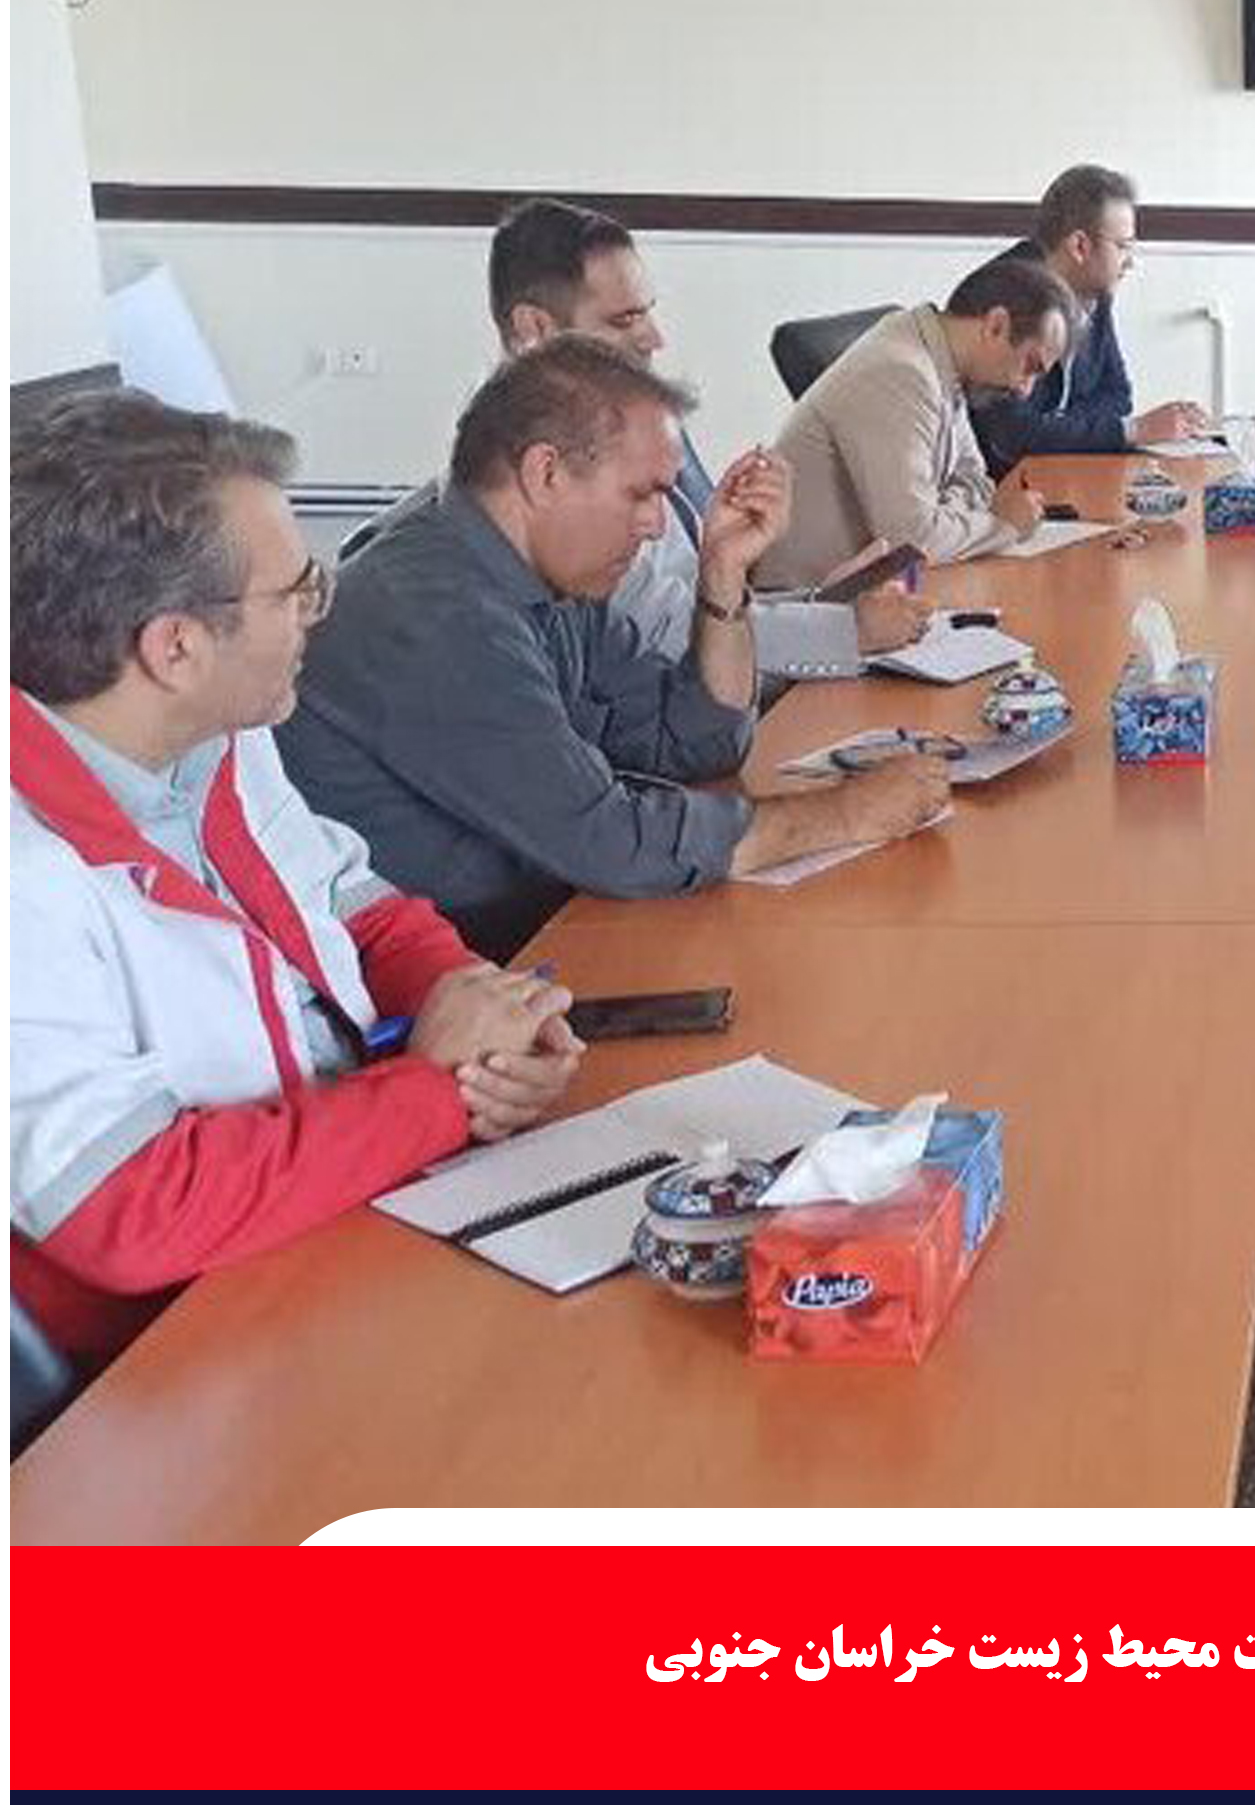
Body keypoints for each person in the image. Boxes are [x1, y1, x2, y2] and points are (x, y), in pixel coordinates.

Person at [11, 390, 585, 1374]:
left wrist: (481, 1017)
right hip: (185, 1351)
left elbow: (353, 908)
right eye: (297, 591)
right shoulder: (25, 878)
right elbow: (127, 1211)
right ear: (175, 647)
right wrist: (434, 1095)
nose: (319, 613)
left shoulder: (214, 736)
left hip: (340, 1205)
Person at [278, 336, 949, 960]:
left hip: (554, 921)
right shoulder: (435, 615)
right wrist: (845, 813)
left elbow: (697, 742)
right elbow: (607, 841)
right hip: (466, 969)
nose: (657, 526)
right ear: (545, 473)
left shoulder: (553, 584)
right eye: (641, 495)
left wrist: (723, 574)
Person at [484, 196, 933, 667]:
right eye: (624, 320)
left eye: (647, 312)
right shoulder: (539, 467)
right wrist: (844, 631)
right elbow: (664, 633)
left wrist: (822, 604)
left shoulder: (621, 423)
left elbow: (702, 603)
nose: (654, 339)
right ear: (535, 328)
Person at [760, 258, 1077, 588]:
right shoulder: (900, 372)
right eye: (1030, 365)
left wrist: (944, 517)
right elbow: (911, 539)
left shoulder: (942, 362)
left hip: (881, 586)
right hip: (805, 603)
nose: (1025, 390)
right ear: (996, 326)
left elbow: (976, 481)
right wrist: (1004, 527)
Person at [969, 164, 1213, 474]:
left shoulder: (1093, 291)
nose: (1130, 262)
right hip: (1003, 486)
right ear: (1080, 246)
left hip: (1066, 472)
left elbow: (1117, 396)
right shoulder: (1005, 298)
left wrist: (1061, 427)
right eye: (1123, 246)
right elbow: (1012, 435)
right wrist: (1134, 430)